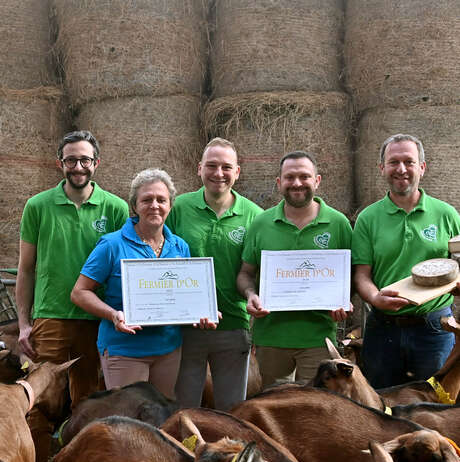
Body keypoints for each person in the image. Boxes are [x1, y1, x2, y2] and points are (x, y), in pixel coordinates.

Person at [16, 129, 129, 462]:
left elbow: (126, 265)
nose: (77, 166)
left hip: (98, 320)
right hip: (50, 317)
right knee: (41, 404)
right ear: (59, 164)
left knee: (91, 402)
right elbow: (26, 268)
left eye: (84, 160)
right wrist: (23, 323)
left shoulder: (116, 208)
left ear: (96, 163)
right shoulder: (38, 206)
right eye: (70, 160)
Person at [71, 169, 191, 399]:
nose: (154, 205)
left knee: (161, 420)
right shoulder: (111, 244)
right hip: (125, 350)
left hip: (169, 349)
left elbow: (183, 295)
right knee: (128, 424)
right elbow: (80, 292)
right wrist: (113, 315)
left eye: (161, 200)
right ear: (134, 206)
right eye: (146, 200)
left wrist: (201, 311)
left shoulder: (179, 247)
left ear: (170, 205)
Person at [352, 133, 460, 389]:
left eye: (409, 162)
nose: (401, 169)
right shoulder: (368, 218)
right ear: (382, 168)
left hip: (435, 329)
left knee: (436, 405)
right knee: (382, 407)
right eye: (393, 162)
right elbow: (361, 276)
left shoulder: (446, 214)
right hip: (383, 329)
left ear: (422, 167)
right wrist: (375, 298)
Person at [237, 150, 352, 388]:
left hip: (318, 336)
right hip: (271, 338)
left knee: (315, 409)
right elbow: (245, 273)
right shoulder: (261, 223)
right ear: (279, 183)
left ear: (317, 181)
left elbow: (353, 276)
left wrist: (345, 300)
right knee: (275, 407)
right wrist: (251, 295)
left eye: (304, 176)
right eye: (289, 177)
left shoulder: (339, 224)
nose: (296, 183)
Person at [166, 137, 263, 410]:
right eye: (211, 166)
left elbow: (256, 271)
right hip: (185, 327)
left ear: (237, 172)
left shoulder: (255, 216)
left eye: (226, 167)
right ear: (199, 169)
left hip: (233, 325)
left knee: (232, 411)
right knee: (184, 409)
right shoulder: (178, 208)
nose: (218, 173)